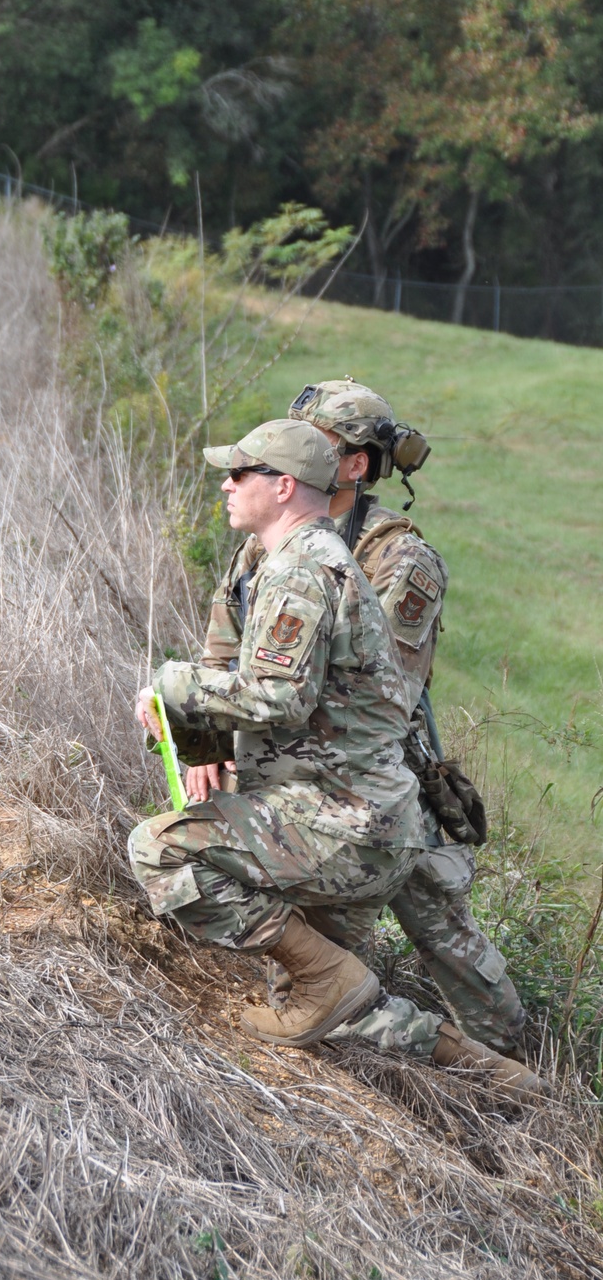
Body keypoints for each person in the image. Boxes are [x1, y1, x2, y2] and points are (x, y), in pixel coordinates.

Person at [129, 419, 428, 1048]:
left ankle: (332, 979)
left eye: (240, 473)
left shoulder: (299, 572)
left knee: (159, 850)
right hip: (363, 820)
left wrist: (173, 689)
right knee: (325, 1014)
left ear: (285, 486)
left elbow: (281, 696)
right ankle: (500, 1078)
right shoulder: (306, 560)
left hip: (342, 824)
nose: (226, 485)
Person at [282, 379, 532, 1077]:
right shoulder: (288, 531)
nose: (291, 454)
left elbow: (379, 697)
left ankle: (514, 1085)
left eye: (317, 443)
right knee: (318, 978)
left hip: (384, 790)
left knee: (454, 953)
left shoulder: (400, 561)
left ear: (357, 465)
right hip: (314, 775)